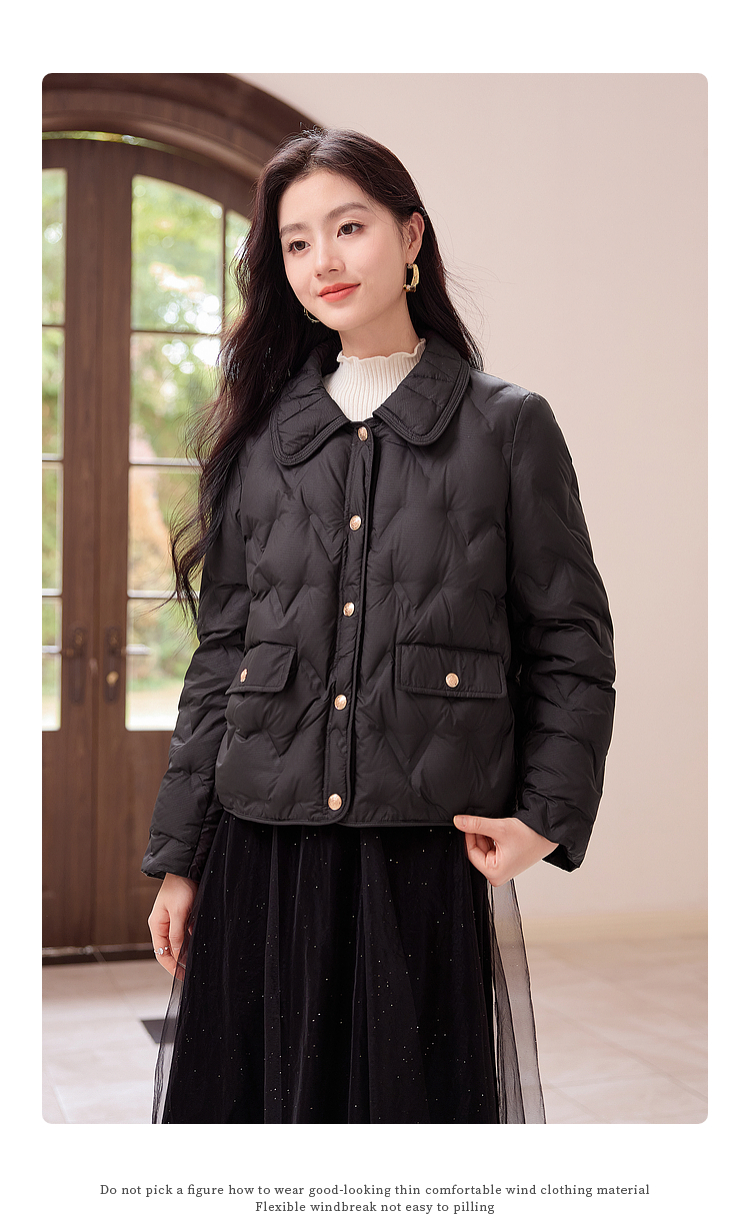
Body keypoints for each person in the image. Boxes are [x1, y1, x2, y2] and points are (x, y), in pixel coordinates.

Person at [142, 127, 616, 1125]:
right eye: (297, 241)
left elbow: (571, 642)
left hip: (419, 855)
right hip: (261, 851)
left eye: (348, 227)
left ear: (410, 238)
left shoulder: (506, 426)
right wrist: (182, 860)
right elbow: (223, 656)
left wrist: (546, 813)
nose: (324, 258)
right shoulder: (263, 440)